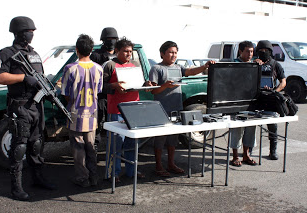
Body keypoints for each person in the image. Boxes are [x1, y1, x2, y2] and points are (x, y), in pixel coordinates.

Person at [0, 16, 56, 201]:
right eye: (29, 31)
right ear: (19, 32)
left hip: (35, 105)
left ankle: (38, 178)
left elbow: (40, 76)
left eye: (32, 32)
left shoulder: (34, 54)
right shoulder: (6, 52)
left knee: (36, 144)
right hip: (19, 106)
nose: (31, 34)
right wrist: (22, 78)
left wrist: (48, 90)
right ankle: (16, 187)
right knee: (19, 147)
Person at [149, 41, 215, 177]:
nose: (173, 55)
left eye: (175, 52)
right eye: (170, 52)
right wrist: (165, 86)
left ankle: (171, 164)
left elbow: (190, 71)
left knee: (173, 139)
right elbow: (153, 91)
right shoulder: (156, 68)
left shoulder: (179, 67)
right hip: (161, 110)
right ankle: (158, 166)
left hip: (176, 109)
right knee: (160, 139)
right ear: (162, 54)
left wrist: (204, 66)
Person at [103, 37, 151, 182]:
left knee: (132, 143)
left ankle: (132, 171)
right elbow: (101, 86)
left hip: (133, 109)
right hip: (116, 110)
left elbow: (140, 83)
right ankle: (113, 173)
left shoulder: (135, 65)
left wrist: (147, 83)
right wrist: (115, 86)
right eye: (125, 51)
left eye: (130, 51)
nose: (129, 54)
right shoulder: (110, 65)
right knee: (116, 143)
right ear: (117, 51)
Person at [61, 34, 103, 187]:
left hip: (75, 115)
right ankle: (94, 177)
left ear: (76, 49)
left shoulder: (70, 68)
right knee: (91, 147)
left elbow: (65, 93)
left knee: (78, 149)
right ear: (92, 50)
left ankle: (82, 178)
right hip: (92, 115)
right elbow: (98, 91)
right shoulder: (98, 68)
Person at [255, 40, 286, 160]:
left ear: (270, 51)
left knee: (272, 126)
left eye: (266, 51)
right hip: (256, 98)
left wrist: (275, 91)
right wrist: (254, 65)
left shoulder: (275, 64)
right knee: (250, 127)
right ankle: (248, 151)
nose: (263, 53)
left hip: (270, 98)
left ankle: (273, 151)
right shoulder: (254, 63)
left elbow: (283, 81)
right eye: (261, 51)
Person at [89, 27, 118, 157]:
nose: (111, 42)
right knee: (98, 124)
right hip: (100, 95)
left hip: (115, 94)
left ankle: (115, 152)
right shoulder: (96, 55)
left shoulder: (119, 54)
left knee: (116, 125)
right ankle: (94, 151)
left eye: (113, 39)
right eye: (108, 39)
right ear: (103, 40)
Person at [229, 41, 257, 167]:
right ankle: (235, 156)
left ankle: (246, 154)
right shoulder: (234, 64)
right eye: (247, 51)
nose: (250, 54)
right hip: (236, 101)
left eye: (252, 51)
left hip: (251, 102)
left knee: (251, 128)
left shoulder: (254, 65)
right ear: (240, 51)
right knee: (236, 129)